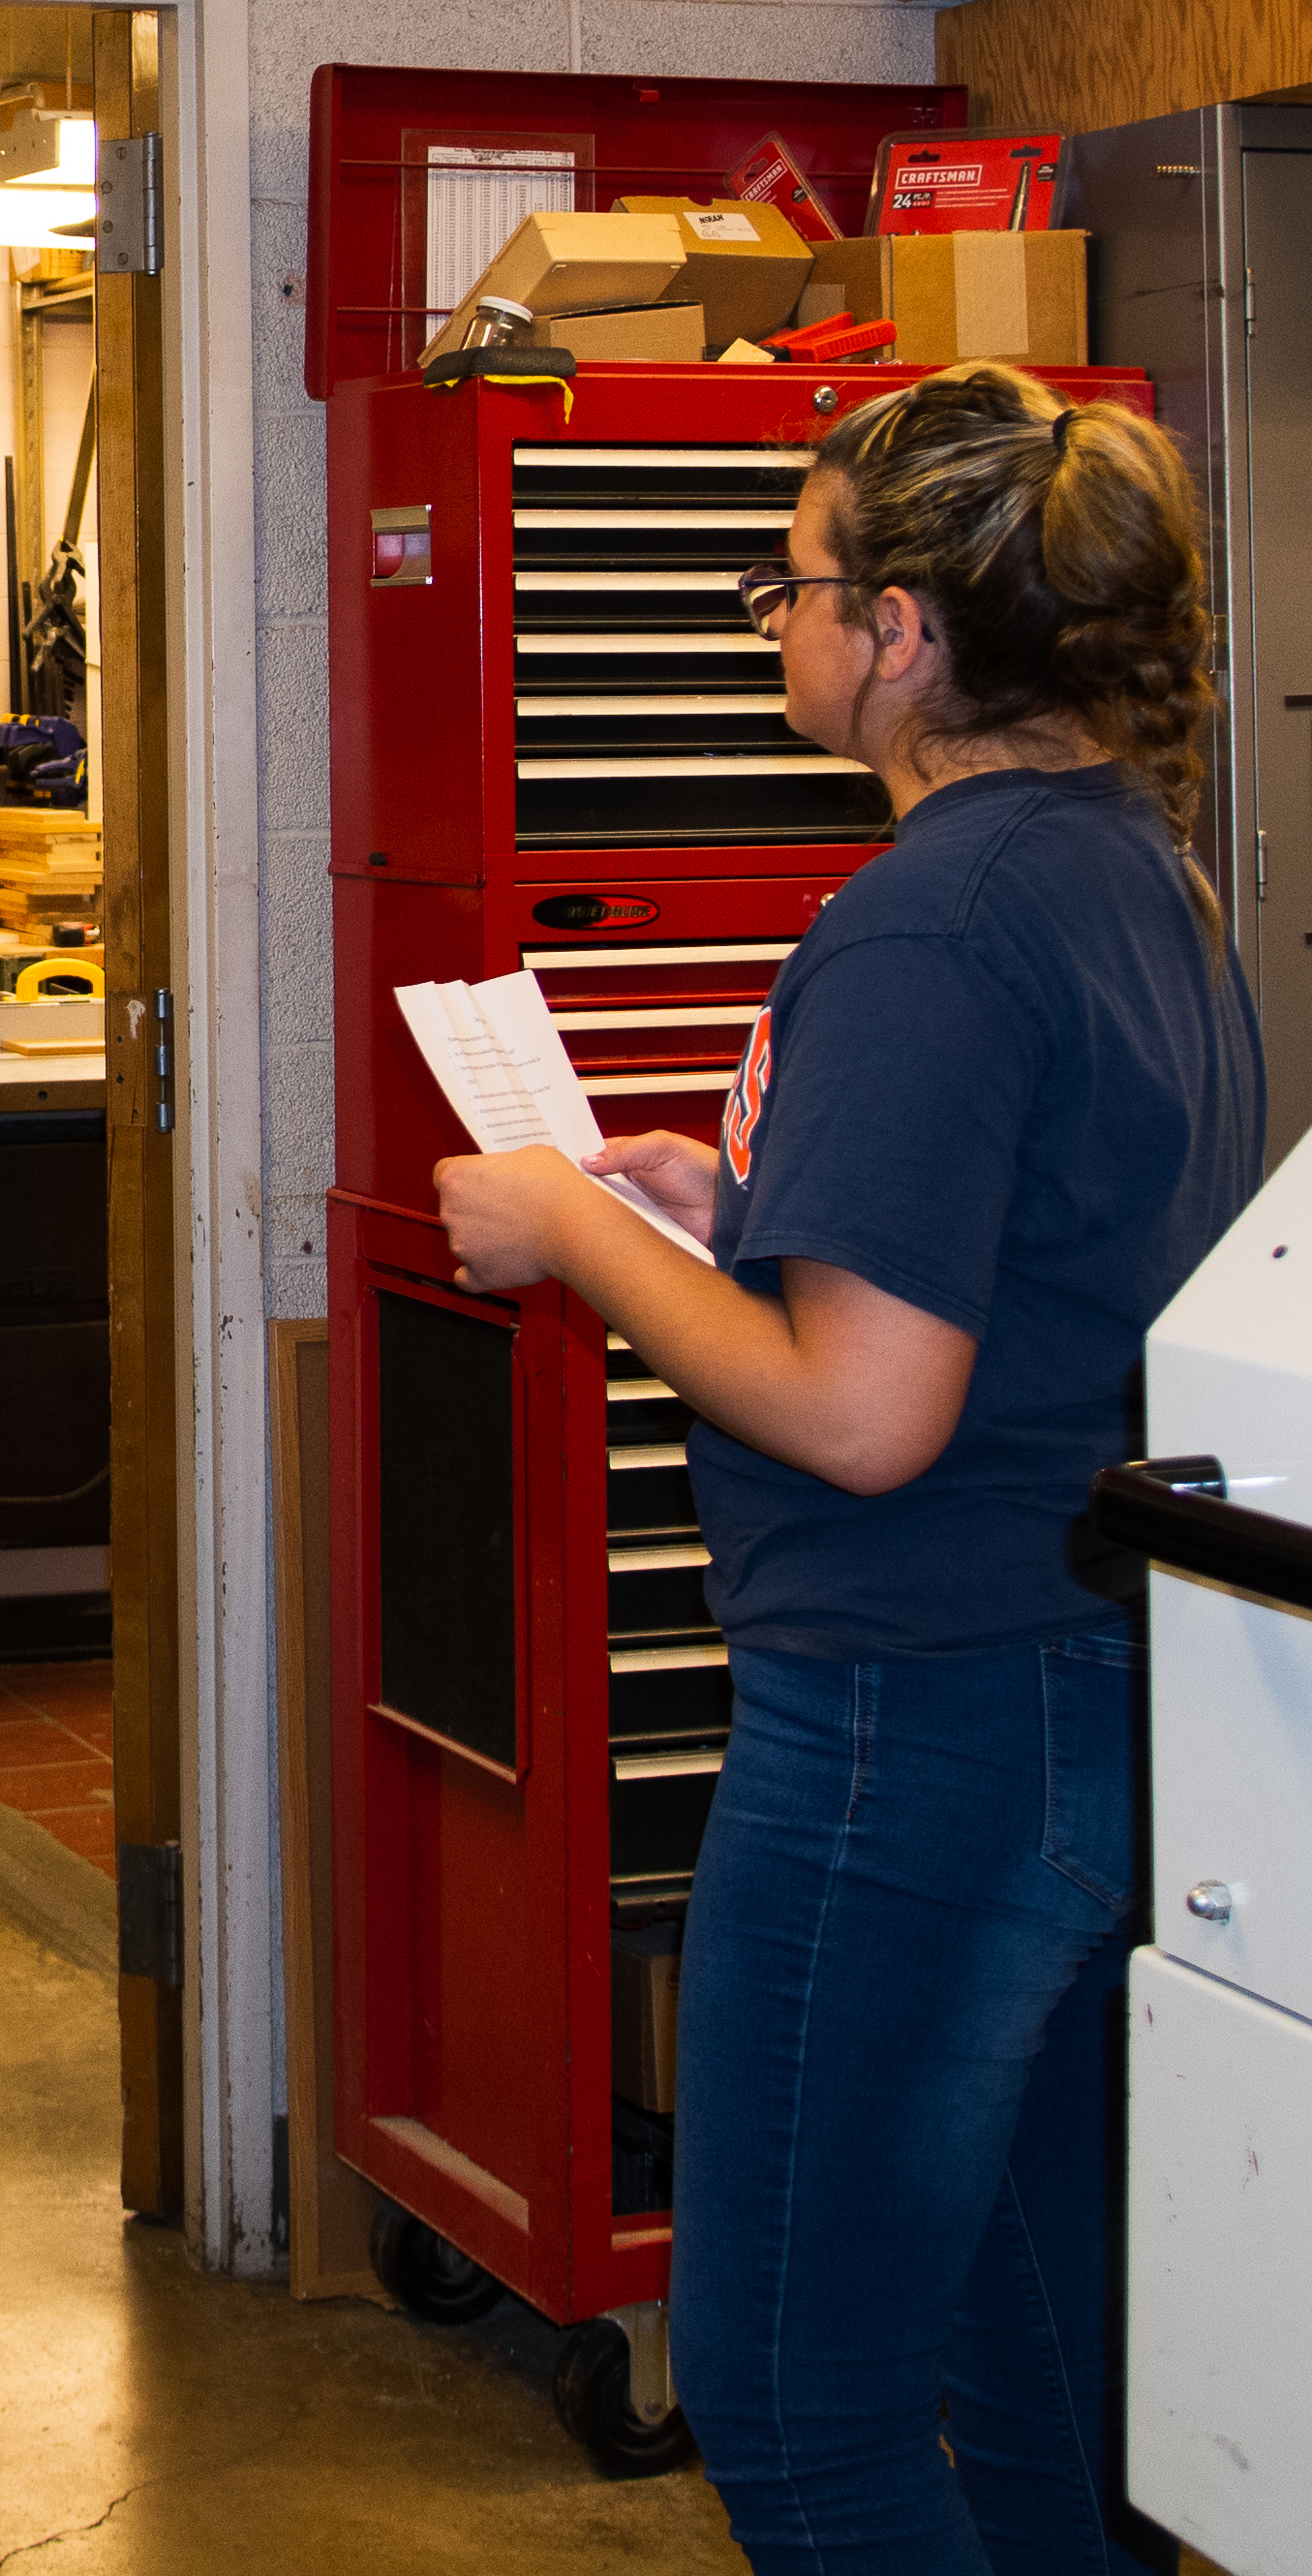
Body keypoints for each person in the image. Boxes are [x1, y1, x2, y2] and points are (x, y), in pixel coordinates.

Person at [433, 363, 1260, 2572]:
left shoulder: (932, 915)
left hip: (915, 1721)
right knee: (1041, 2388)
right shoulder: (1135, 878)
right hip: (1084, 1693)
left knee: (800, 2403)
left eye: (786, 585)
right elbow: (1016, 1280)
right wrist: (745, 1205)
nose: (764, 626)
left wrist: (580, 1234)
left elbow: (865, 1415)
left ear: (902, 631)